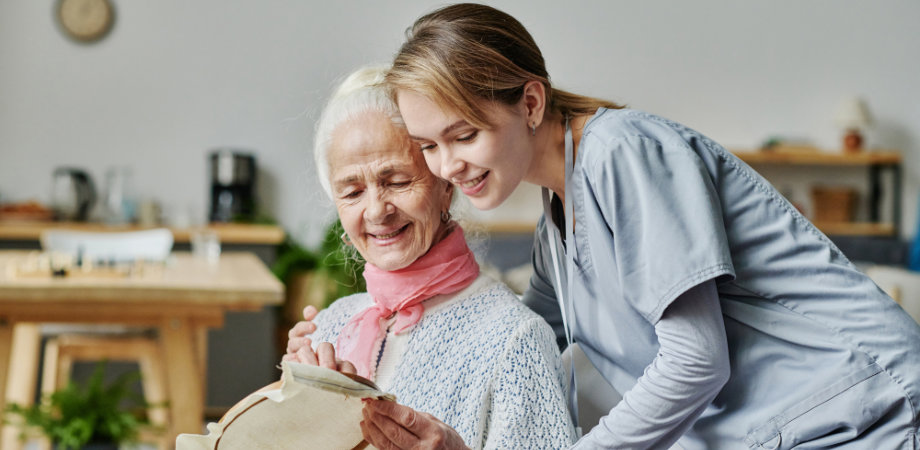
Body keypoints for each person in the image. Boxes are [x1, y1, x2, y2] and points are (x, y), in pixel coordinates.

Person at [291, 3, 920, 449]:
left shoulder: (624, 151)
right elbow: (505, 339)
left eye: (465, 134)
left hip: (868, 414)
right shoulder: (556, 224)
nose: (448, 166)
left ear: (530, 103)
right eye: (429, 147)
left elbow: (698, 362)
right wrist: (348, 371)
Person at [283, 65, 576, 449]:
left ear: (446, 187)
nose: (375, 211)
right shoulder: (332, 325)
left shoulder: (514, 339)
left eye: (398, 181)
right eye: (352, 192)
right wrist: (291, 400)